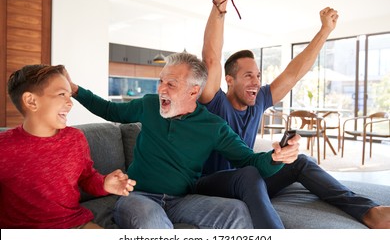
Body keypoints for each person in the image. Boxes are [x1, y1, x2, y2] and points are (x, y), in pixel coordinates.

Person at [197, 0, 390, 229]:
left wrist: (325, 31)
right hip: (216, 186)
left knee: (298, 161)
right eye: (247, 76)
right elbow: (211, 57)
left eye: (258, 75)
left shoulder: (259, 99)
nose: (256, 81)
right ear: (229, 80)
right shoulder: (214, 102)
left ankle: (370, 212)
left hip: (251, 180)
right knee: (251, 174)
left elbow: (293, 74)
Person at [64, 52, 300, 229]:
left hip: (181, 200)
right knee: (150, 219)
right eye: (161, 81)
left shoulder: (213, 126)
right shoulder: (148, 105)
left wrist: (276, 158)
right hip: (139, 196)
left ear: (193, 91)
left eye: (171, 84)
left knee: (237, 212)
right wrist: (75, 90)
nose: (161, 90)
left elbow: (249, 160)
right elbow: (110, 110)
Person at [0, 64, 136, 229]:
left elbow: (87, 178)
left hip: (73, 224)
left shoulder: (75, 138)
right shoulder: (4, 146)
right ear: (31, 101)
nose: (70, 103)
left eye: (69, 95)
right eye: (61, 94)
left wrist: (104, 184)